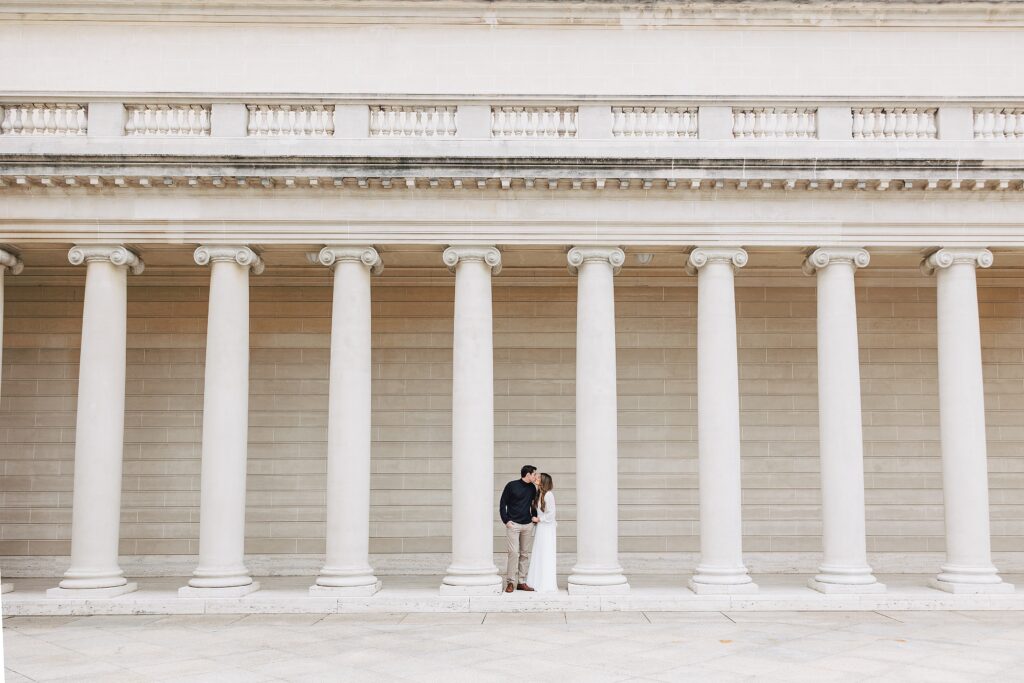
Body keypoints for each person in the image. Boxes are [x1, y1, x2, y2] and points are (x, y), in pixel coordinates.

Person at [499, 465, 538, 593]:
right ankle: (510, 582)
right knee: (513, 553)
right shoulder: (511, 485)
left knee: (524, 554)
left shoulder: (532, 488)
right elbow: (502, 503)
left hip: (527, 525)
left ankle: (521, 582)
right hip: (513, 525)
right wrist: (506, 520)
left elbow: (533, 504)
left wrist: (534, 517)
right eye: (534, 474)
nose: (535, 476)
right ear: (527, 474)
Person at [525, 473, 557, 592]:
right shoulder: (539, 494)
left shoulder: (549, 495)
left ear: (544, 481)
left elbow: (551, 514)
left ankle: (545, 583)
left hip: (547, 528)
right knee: (539, 552)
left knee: (545, 552)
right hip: (541, 528)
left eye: (538, 478)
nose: (536, 479)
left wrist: (539, 519)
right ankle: (536, 581)